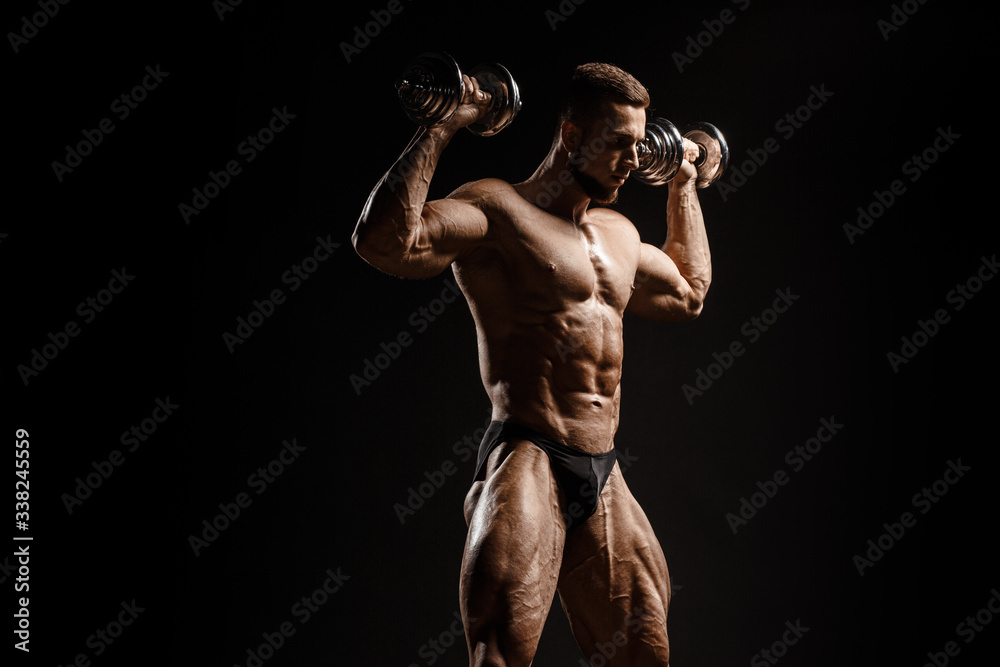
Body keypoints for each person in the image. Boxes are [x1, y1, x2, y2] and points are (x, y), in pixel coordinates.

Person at [353, 61, 710, 666]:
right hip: (529, 454)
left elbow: (688, 293)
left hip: (605, 468)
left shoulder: (619, 235)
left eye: (640, 144)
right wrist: (443, 126)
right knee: (500, 655)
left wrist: (683, 185)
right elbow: (387, 242)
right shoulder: (499, 210)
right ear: (572, 136)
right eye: (618, 144)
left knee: (645, 653)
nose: (632, 159)